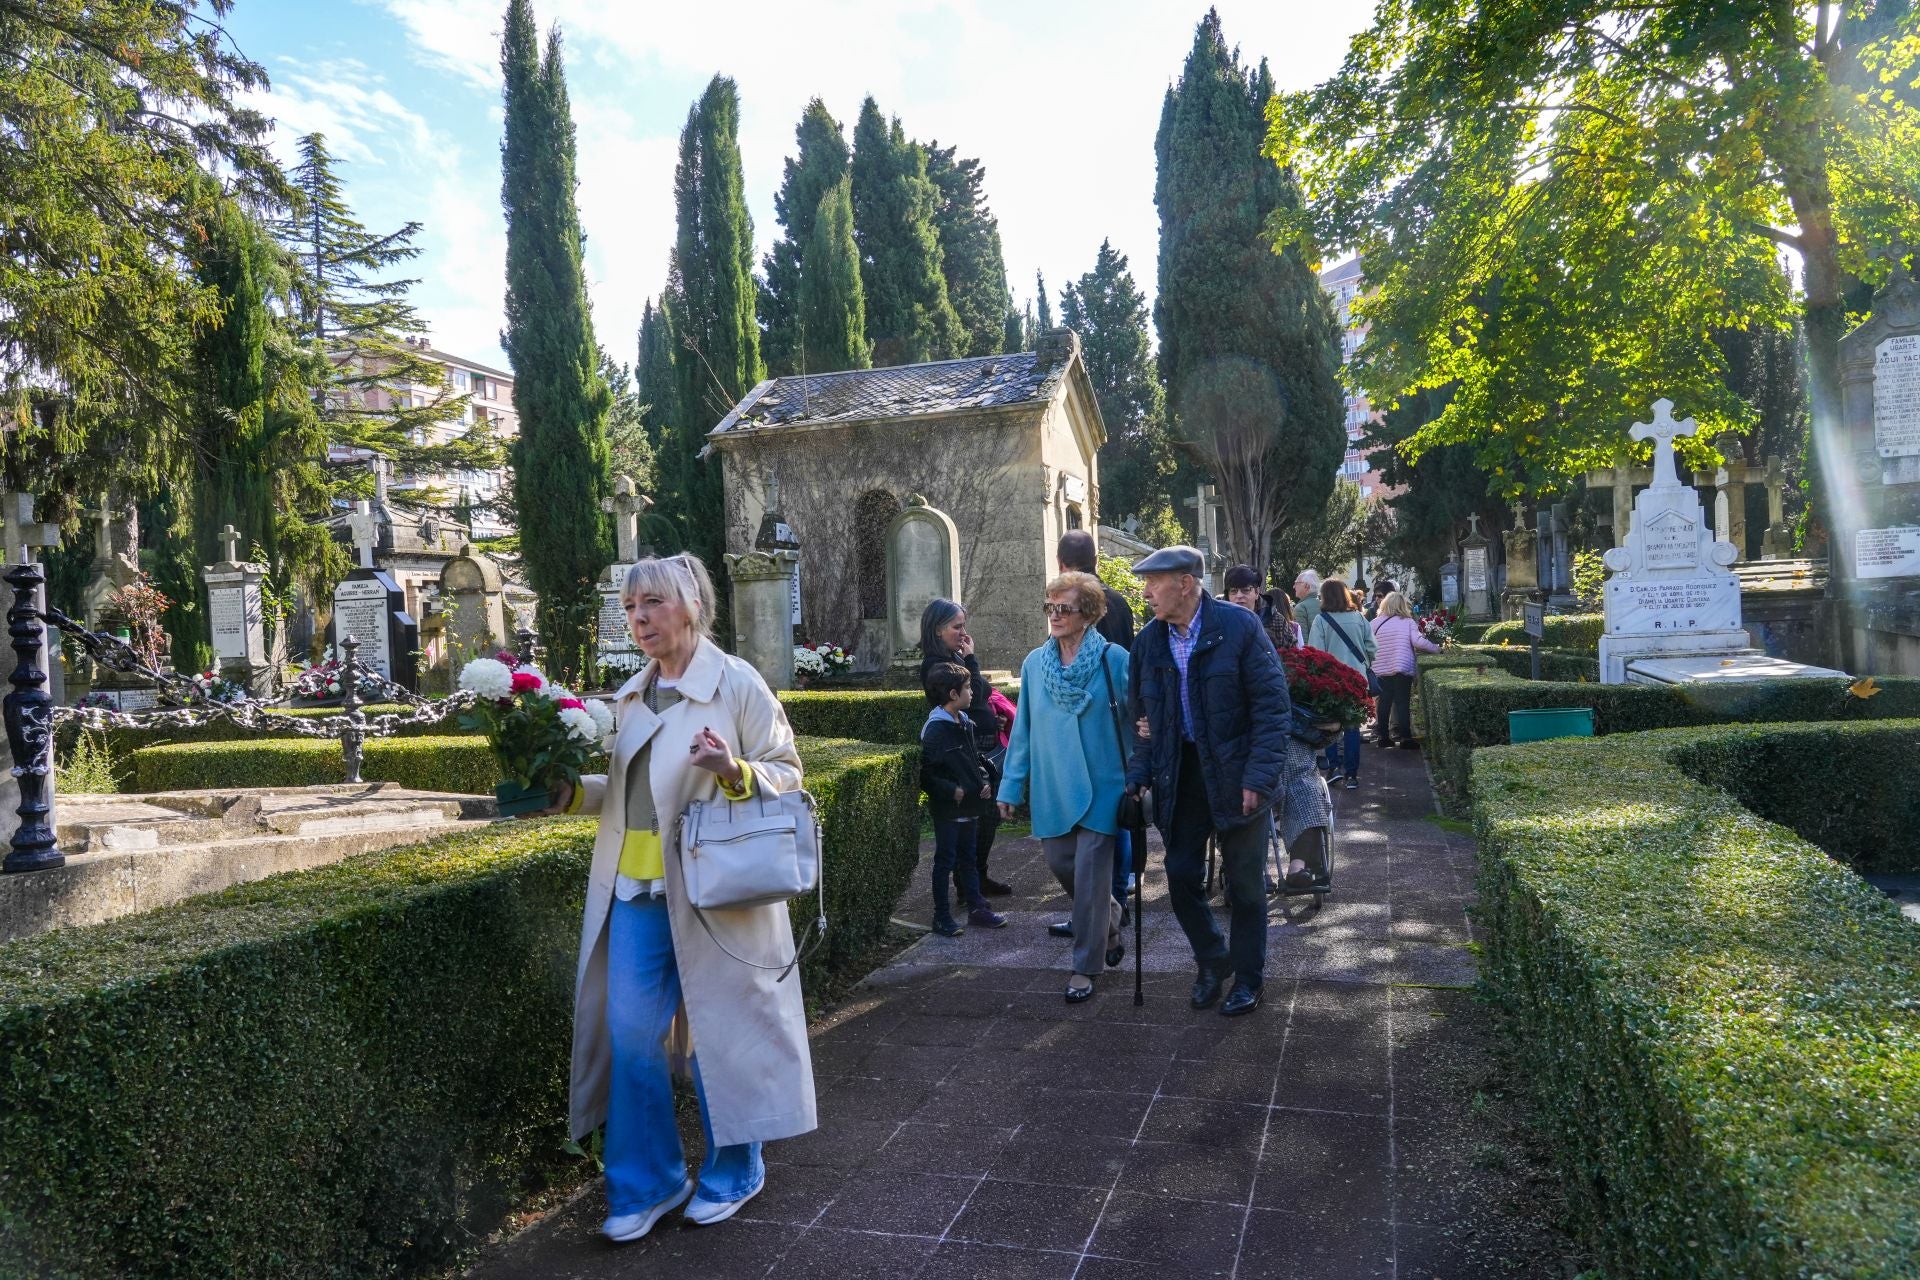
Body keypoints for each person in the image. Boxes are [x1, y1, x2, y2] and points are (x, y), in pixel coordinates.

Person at [542, 554, 813, 1243]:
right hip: (635, 891)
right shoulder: (631, 695)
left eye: (653, 603)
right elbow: (632, 795)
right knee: (631, 1036)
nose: (639, 618)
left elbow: (788, 773)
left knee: (721, 1033)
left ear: (689, 605)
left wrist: (733, 769)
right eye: (631, 606)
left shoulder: (737, 683)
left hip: (715, 890)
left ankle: (736, 1169)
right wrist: (573, 793)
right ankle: (649, 1181)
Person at [1126, 546, 1291, 1018]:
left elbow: (1272, 709)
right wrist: (1138, 776)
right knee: (1179, 875)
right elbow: (1145, 721)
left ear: (1185, 582)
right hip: (1181, 772)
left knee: (1244, 885)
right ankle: (1213, 960)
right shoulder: (1148, 642)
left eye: (1153, 582)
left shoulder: (1239, 627)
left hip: (1239, 772)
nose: (1146, 592)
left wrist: (1259, 776)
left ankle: (1249, 979)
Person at [999, 572, 1133, 1002]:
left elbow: (1141, 718)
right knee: (1062, 863)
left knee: (1092, 873)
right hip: (1053, 785)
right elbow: (1023, 730)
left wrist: (1144, 770)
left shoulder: (1115, 660)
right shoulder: (1035, 664)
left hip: (1104, 785)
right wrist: (1010, 785)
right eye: (1050, 608)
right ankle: (1110, 916)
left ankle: (1085, 965)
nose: (1055, 616)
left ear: (1088, 614)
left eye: (1065, 609)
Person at [1048, 531, 1137, 941]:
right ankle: (1113, 903)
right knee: (1110, 824)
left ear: (1063, 563)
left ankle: (1103, 910)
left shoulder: (1072, 604)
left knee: (1099, 826)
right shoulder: (1120, 601)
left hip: (1093, 720)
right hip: (1114, 724)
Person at [918, 599, 1012, 897]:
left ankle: (976, 877)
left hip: (981, 743)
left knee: (987, 817)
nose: (963, 633)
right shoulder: (936, 664)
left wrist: (990, 718)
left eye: (963, 626)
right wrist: (971, 660)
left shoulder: (950, 657)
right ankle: (968, 882)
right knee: (980, 816)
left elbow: (978, 696)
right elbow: (978, 690)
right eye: (957, 627)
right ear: (937, 629)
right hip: (967, 750)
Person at [919, 662, 1008, 936]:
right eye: (968, 688)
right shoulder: (936, 729)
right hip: (948, 810)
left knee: (968, 858)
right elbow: (927, 774)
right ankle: (941, 916)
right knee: (945, 861)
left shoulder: (964, 722)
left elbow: (972, 760)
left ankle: (977, 907)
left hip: (969, 806)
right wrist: (951, 790)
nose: (973, 692)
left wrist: (982, 781)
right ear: (953, 695)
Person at [1307, 577, 1377, 790]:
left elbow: (1315, 653)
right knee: (1352, 727)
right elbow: (1372, 647)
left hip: (1331, 683)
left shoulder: (1321, 621)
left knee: (1330, 727)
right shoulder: (1359, 617)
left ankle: (1333, 768)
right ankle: (1352, 775)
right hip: (1357, 680)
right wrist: (1362, 663)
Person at [1369, 590, 1438, 749]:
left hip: (1381, 670)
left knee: (1384, 704)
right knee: (1402, 703)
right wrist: (1437, 648)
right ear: (1402, 605)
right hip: (1401, 668)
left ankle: (1383, 738)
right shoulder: (1407, 622)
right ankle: (1406, 738)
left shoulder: (1374, 623)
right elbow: (1418, 642)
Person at [1292, 570, 1323, 642]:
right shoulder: (1325, 605)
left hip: (1312, 652)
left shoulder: (1301, 608)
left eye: (1296, 583)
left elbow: (1302, 641)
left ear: (1306, 586)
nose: (1294, 587)